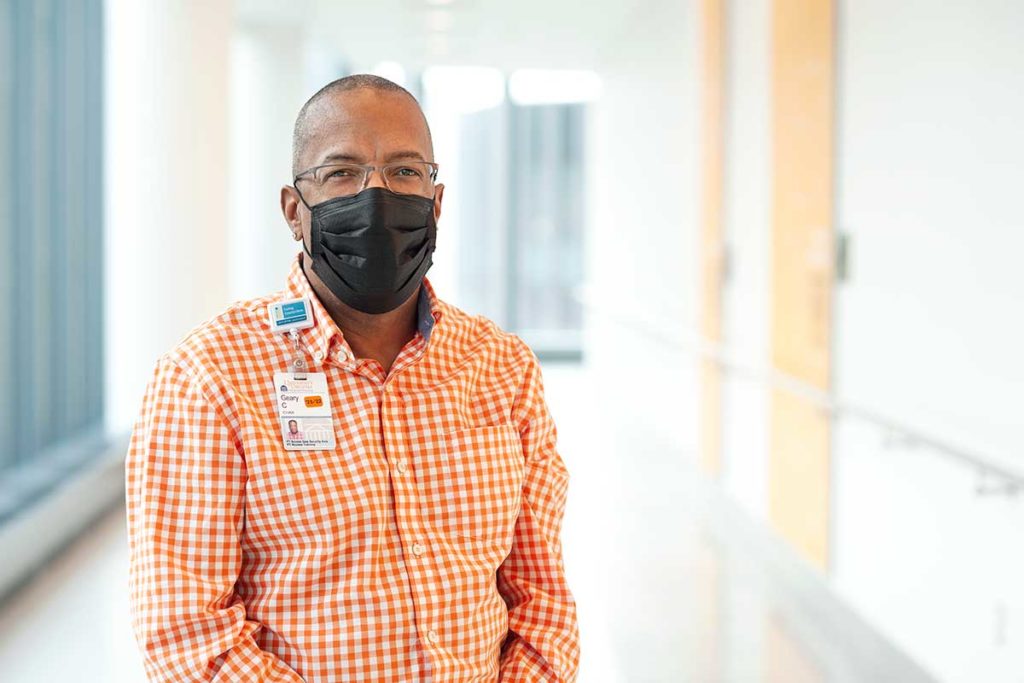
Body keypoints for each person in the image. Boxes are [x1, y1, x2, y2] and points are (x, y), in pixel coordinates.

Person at [125, 74, 580, 682]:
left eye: (405, 172)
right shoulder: (208, 379)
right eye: (341, 173)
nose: (377, 196)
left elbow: (541, 597)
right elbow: (185, 634)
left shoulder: (502, 368)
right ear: (294, 211)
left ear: (436, 203)